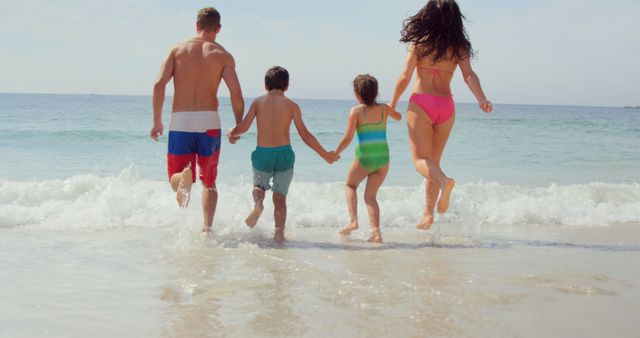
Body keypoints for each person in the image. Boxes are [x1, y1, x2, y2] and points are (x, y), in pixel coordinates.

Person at [389, 0, 492, 230]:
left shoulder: (420, 43)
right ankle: (428, 214)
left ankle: (445, 183)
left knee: (420, 161)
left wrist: (393, 103)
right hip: (446, 106)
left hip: (422, 103)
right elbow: (469, 76)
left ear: (429, 15)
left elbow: (405, 76)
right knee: (432, 163)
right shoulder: (459, 47)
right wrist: (481, 98)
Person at [150, 7, 244, 234]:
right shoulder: (223, 55)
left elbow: (159, 84)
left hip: (181, 121)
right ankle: (207, 229)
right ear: (218, 29)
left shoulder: (177, 50)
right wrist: (238, 126)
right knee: (209, 183)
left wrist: (157, 121)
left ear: (197, 25)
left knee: (175, 176)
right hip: (209, 121)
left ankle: (181, 179)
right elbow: (236, 93)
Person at [227, 66, 339, 242]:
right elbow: (305, 135)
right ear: (287, 86)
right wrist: (325, 155)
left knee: (259, 187)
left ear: (265, 86)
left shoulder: (258, 102)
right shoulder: (292, 106)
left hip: (263, 153)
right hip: (284, 155)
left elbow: (244, 127)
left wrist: (232, 134)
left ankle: (258, 204)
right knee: (280, 199)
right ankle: (279, 235)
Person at [334, 75, 401, 243]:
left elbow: (348, 138)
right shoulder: (384, 109)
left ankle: (353, 221)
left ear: (357, 94)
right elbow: (399, 117)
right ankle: (376, 232)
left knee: (350, 185)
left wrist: (336, 152)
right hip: (383, 158)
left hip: (365, 157)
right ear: (376, 92)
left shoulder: (356, 111)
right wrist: (392, 108)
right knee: (370, 197)